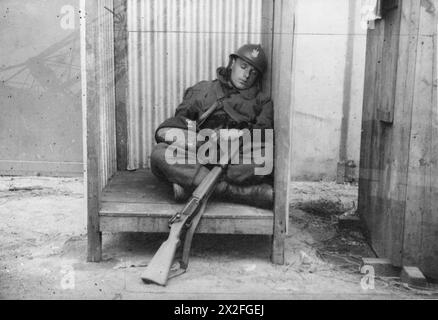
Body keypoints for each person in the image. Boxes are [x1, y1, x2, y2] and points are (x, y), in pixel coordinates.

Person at [150, 44, 274, 209]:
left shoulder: (262, 101)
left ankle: (191, 184)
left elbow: (264, 133)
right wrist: (199, 139)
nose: (246, 75)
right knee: (160, 154)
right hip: (200, 154)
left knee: (265, 159)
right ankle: (238, 193)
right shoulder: (204, 89)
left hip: (235, 158)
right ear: (232, 63)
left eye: (253, 72)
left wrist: (239, 134)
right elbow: (179, 122)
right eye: (243, 67)